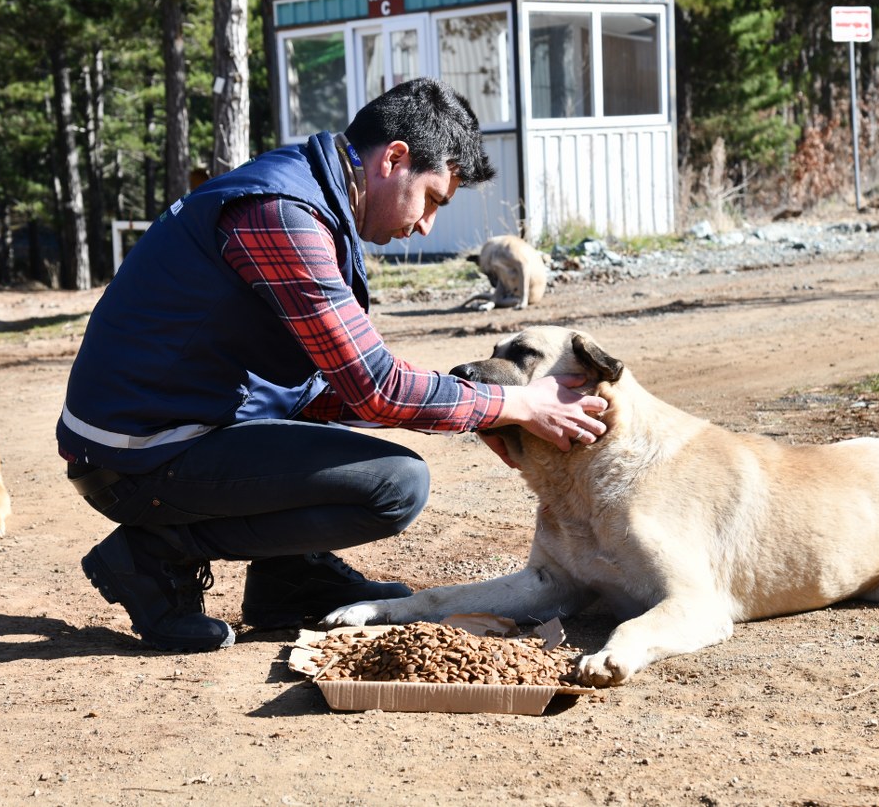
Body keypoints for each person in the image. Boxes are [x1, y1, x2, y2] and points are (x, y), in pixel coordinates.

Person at [56, 77, 608, 653]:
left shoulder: (308, 191)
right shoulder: (283, 213)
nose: (426, 226)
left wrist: (474, 410)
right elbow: (375, 388)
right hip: (135, 454)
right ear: (395, 159)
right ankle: (150, 556)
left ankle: (287, 580)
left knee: (340, 421)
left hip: (167, 428)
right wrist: (513, 402)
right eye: (433, 200)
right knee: (395, 485)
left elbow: (332, 384)